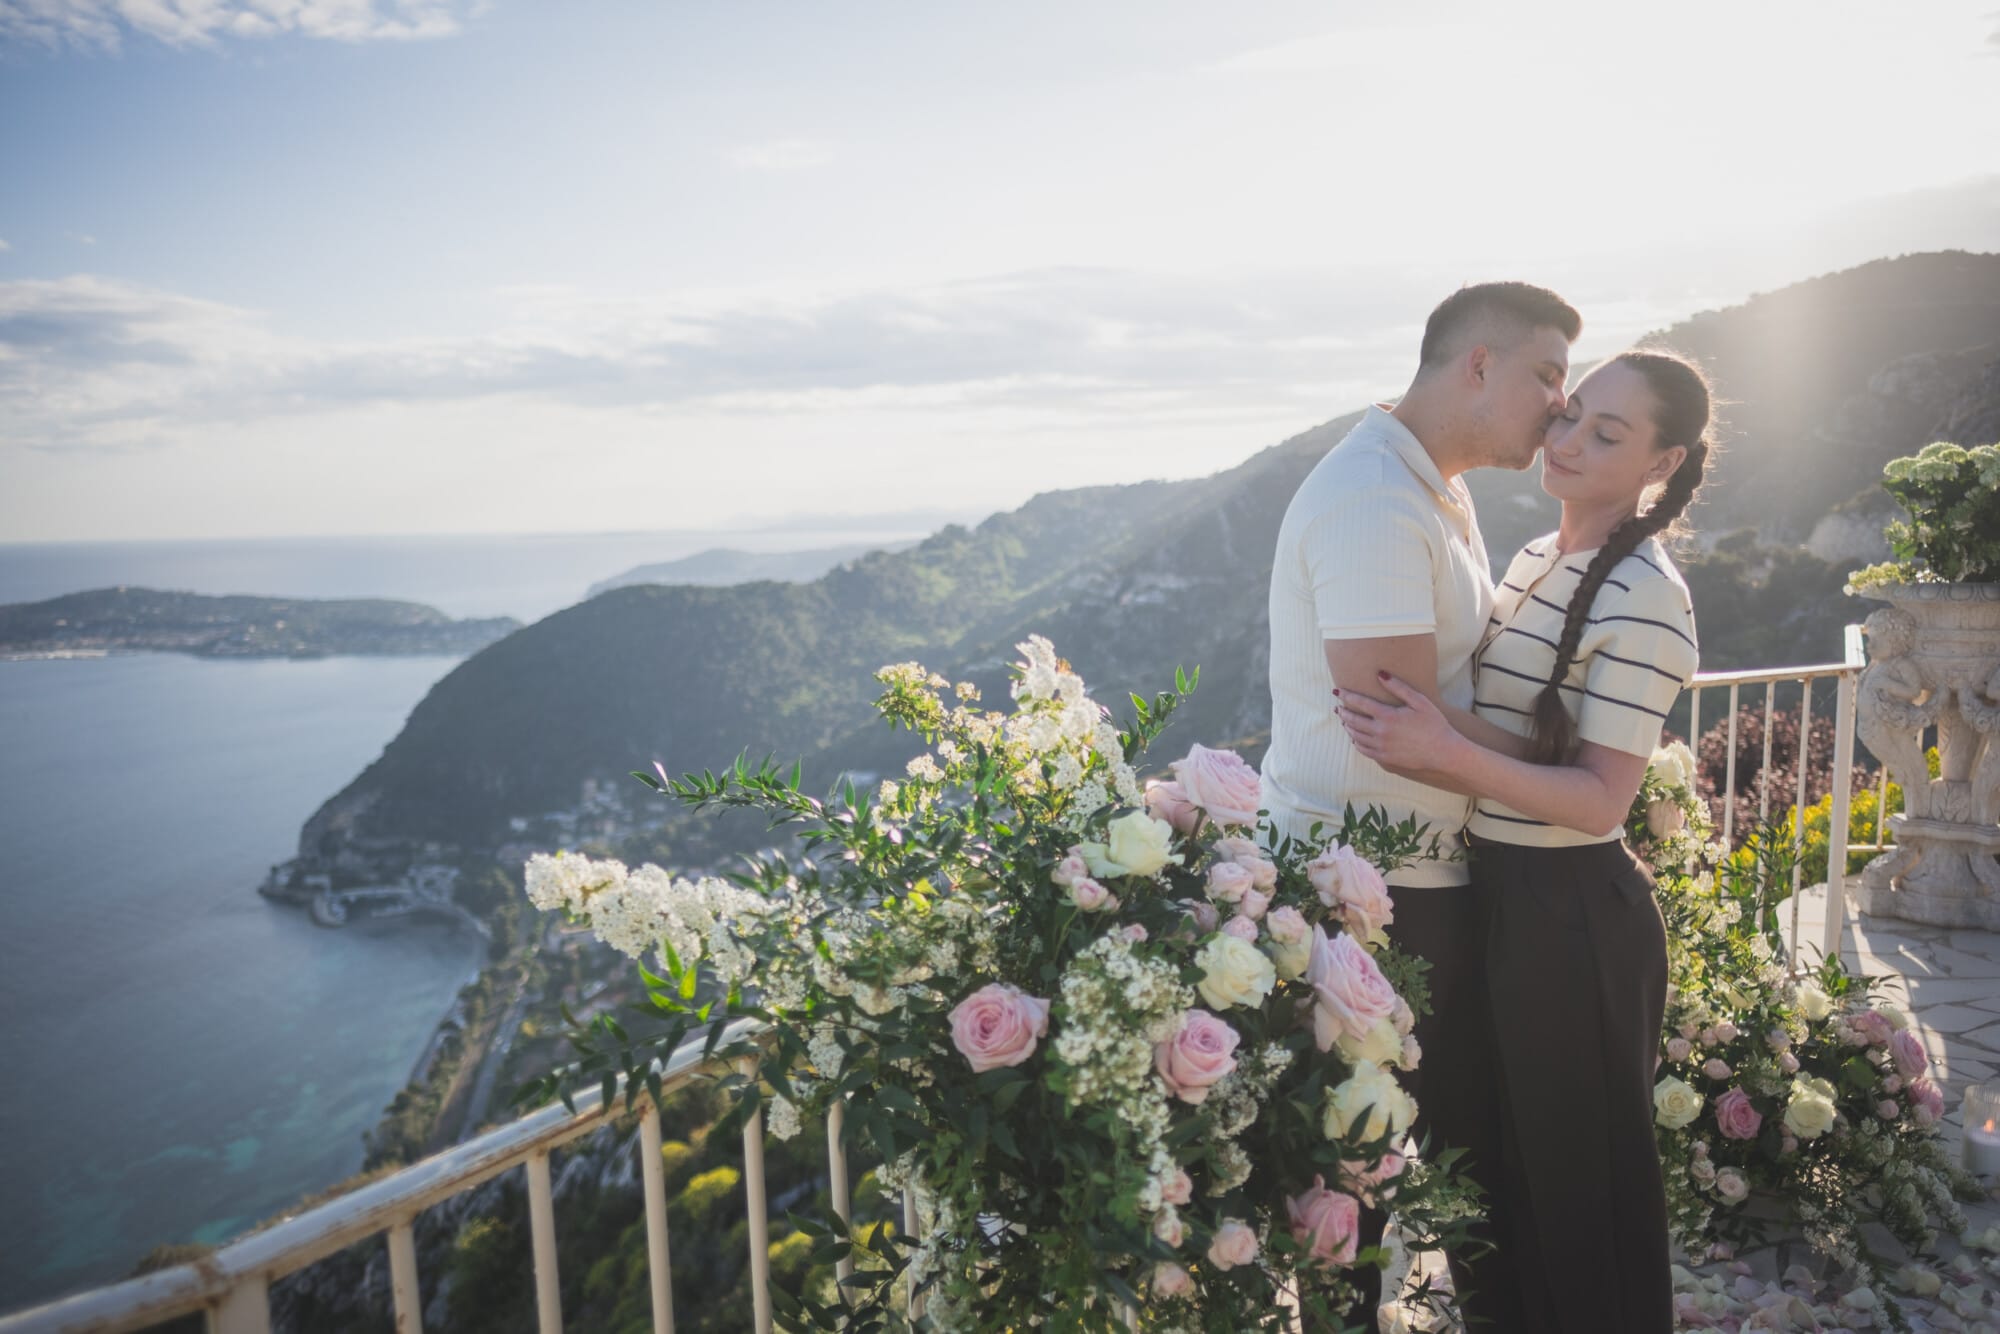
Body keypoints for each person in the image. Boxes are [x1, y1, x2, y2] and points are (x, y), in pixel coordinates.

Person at [1338, 348, 1712, 1333]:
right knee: (1491, 1183)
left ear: (1659, 461)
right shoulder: (1534, 562)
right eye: (1571, 412)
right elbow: (1531, 739)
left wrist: (1440, 752)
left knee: (1581, 1200)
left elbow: (1596, 799)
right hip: (1495, 897)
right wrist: (1434, 729)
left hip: (1574, 919)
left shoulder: (1647, 597)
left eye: (1608, 432)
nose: (1570, 439)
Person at [1261, 281, 1579, 1326]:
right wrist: (1560, 755)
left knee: (1454, 1150)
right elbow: (1400, 726)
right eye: (1545, 374)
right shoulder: (1370, 497)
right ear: (1476, 364)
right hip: (1367, 889)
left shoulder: (1432, 487)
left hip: (1419, 872)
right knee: (1352, 1173)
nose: (1558, 406)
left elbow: (1439, 710)